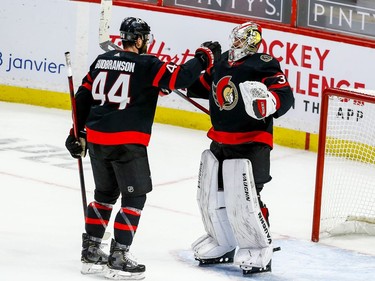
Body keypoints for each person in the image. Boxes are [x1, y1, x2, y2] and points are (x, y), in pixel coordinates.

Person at [65, 16, 221, 280]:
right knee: (134, 198)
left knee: (104, 194)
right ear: (137, 39)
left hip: (97, 139)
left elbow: (82, 96)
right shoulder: (147, 64)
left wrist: (76, 132)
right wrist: (204, 57)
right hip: (126, 142)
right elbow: (180, 77)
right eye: (144, 38)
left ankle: (91, 253)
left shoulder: (102, 61)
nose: (146, 42)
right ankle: (119, 257)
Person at [186, 21, 294, 275]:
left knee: (246, 199)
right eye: (233, 39)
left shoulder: (264, 63)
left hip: (252, 141)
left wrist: (270, 101)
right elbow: (201, 86)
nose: (233, 44)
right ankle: (222, 242)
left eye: (238, 39)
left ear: (251, 41)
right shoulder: (223, 61)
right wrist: (184, 76)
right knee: (213, 196)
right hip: (221, 139)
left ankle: (259, 246)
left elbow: (284, 93)